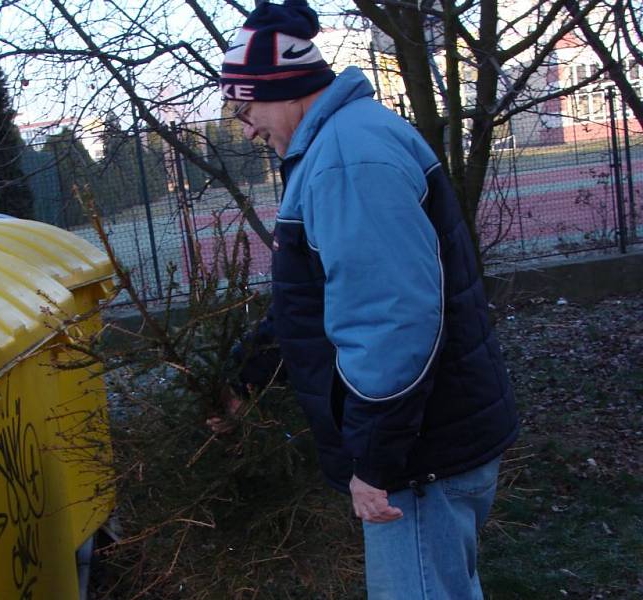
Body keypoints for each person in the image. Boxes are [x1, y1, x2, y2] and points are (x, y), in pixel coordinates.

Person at [216, 1, 520, 598]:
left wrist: (377, 462)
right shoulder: (340, 145)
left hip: (417, 463)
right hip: (429, 448)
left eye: (245, 105)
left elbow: (393, 321)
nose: (245, 125)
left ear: (286, 89)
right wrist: (246, 377)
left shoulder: (346, 160)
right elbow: (323, 298)